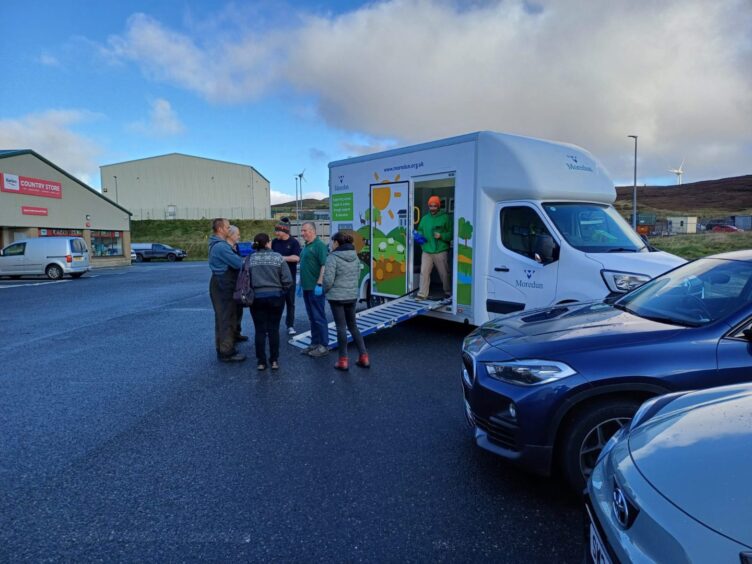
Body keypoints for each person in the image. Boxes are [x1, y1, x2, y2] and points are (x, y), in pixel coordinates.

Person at [323, 232, 369, 371]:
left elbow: (328, 280)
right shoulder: (355, 256)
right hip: (351, 296)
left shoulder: (333, 257)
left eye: (332, 242)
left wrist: (324, 290)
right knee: (353, 326)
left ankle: (343, 360)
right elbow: (358, 275)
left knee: (341, 328)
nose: (331, 244)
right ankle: (364, 357)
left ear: (337, 242)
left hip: (337, 297)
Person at [248, 233, 292, 370]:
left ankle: (261, 362)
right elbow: (288, 279)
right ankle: (274, 361)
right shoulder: (278, 258)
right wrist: (282, 291)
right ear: (268, 243)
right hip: (276, 297)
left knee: (260, 330)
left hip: (256, 298)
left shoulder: (250, 259)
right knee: (274, 329)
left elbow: (245, 279)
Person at [208, 218, 245, 362]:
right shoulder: (221, 247)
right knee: (226, 318)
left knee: (222, 317)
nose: (230, 229)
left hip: (219, 283)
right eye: (228, 227)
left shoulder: (217, 244)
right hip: (223, 285)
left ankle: (222, 347)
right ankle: (226, 352)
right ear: (221, 229)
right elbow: (238, 263)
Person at [299, 221, 329, 357]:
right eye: (302, 231)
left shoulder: (319, 246)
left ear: (312, 231)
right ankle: (314, 343)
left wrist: (320, 283)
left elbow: (324, 265)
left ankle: (323, 345)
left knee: (319, 317)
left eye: (304, 230)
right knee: (312, 317)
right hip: (306, 287)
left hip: (315, 288)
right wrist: (301, 284)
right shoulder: (306, 246)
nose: (302, 233)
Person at [416, 195, 453, 300]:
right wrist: (418, 236)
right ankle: (422, 294)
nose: (432, 208)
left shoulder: (445, 218)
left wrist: (441, 236)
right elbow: (420, 230)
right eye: (431, 206)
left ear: (438, 206)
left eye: (435, 206)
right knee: (424, 272)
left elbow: (451, 234)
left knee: (444, 273)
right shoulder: (424, 218)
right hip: (427, 250)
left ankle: (448, 292)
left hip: (440, 250)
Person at [271, 219, 301, 336]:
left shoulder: (294, 242)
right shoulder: (274, 242)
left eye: (278, 231)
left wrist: (281, 257)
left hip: (289, 279)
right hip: (276, 279)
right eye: (275, 231)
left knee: (290, 303)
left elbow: (296, 258)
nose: (276, 233)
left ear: (285, 231)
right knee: (276, 304)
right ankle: (274, 326)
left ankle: (290, 325)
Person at [226, 224, 249, 343]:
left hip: (238, 283)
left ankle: (237, 333)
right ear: (230, 234)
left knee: (238, 309)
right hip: (230, 283)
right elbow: (238, 263)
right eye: (237, 234)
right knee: (231, 312)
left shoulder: (236, 247)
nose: (239, 236)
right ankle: (230, 339)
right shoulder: (226, 248)